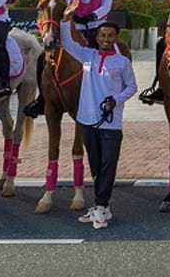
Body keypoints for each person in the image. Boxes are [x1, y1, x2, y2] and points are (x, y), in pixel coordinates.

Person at [55, 16, 136, 230]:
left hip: (111, 123)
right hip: (87, 120)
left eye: (110, 36)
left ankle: (101, 206)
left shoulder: (122, 62)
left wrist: (115, 100)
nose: (106, 39)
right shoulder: (87, 55)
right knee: (96, 165)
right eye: (102, 35)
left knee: (108, 165)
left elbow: (131, 87)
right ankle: (102, 206)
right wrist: (64, 20)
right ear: (97, 38)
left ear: (116, 38)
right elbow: (66, 42)